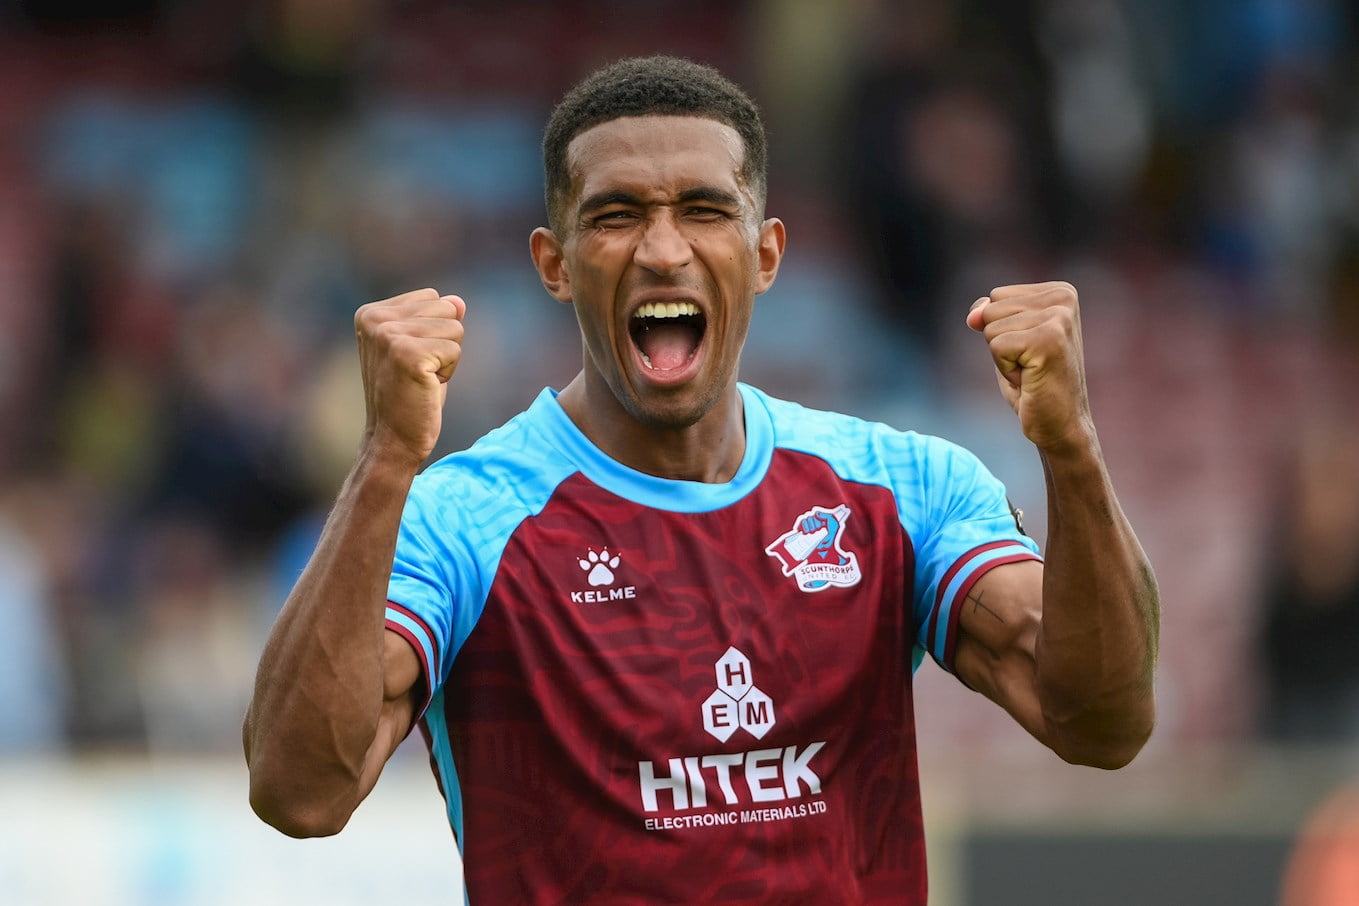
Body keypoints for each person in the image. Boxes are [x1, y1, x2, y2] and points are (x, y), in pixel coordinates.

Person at [243, 55, 1159, 904]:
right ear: (554, 265)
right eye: (615, 215)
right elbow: (300, 793)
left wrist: (1071, 449)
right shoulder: (463, 518)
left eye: (704, 210)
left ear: (764, 256)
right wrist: (385, 460)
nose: (663, 250)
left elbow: (1101, 723)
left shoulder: (899, 489)